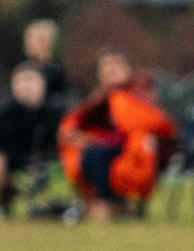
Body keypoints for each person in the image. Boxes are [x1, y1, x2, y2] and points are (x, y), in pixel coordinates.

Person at [59, 49, 177, 221]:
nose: (110, 71)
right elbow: (78, 124)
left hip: (137, 148)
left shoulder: (141, 93)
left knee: (96, 154)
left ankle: (104, 205)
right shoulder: (100, 99)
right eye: (106, 67)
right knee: (90, 153)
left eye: (116, 66)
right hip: (108, 146)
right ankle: (108, 204)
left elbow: (157, 124)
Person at [0, 62, 57, 222]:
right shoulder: (3, 112)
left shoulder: (53, 112)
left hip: (40, 161)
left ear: (42, 84)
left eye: (30, 80)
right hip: (6, 161)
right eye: (20, 81)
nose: (25, 86)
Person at [22, 19, 68, 105]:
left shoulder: (56, 71)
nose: (27, 43)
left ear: (45, 41)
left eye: (31, 39)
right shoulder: (26, 68)